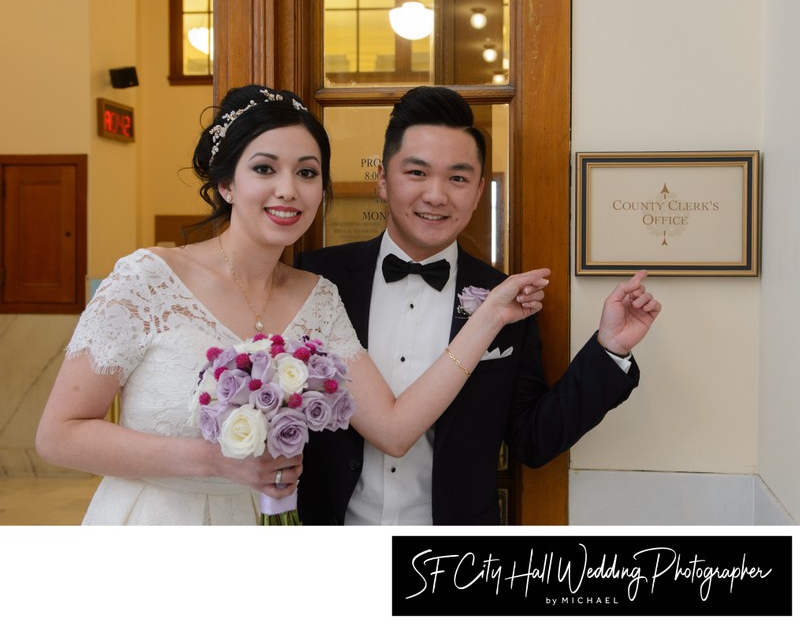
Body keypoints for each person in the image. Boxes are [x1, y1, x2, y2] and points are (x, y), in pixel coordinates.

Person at [35, 85, 545, 525]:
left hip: (267, 530)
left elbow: (393, 429)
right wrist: (217, 461)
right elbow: (58, 436)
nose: (288, 190)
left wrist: (490, 316)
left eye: (307, 172)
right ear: (227, 183)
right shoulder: (148, 277)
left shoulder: (316, 296)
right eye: (265, 168)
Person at [295, 85, 662, 525]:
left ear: (478, 191)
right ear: (382, 179)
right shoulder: (315, 279)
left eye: (457, 177)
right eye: (416, 173)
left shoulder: (506, 299)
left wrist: (610, 350)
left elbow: (533, 441)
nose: (436, 195)